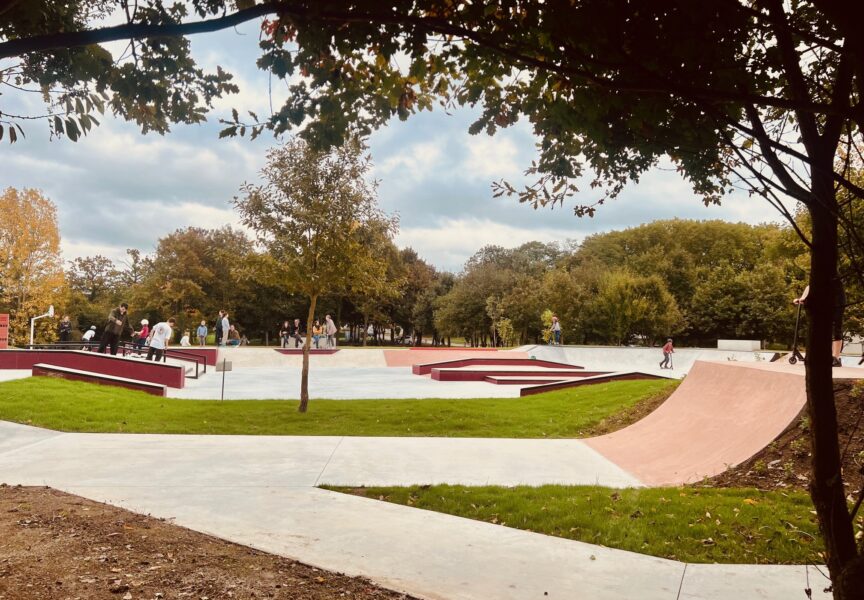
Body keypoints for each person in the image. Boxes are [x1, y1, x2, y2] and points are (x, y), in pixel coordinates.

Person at [793, 276, 846, 367]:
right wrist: (802, 298)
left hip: (837, 301)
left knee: (835, 327)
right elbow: (811, 285)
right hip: (826, 302)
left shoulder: (834, 277)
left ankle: (836, 358)